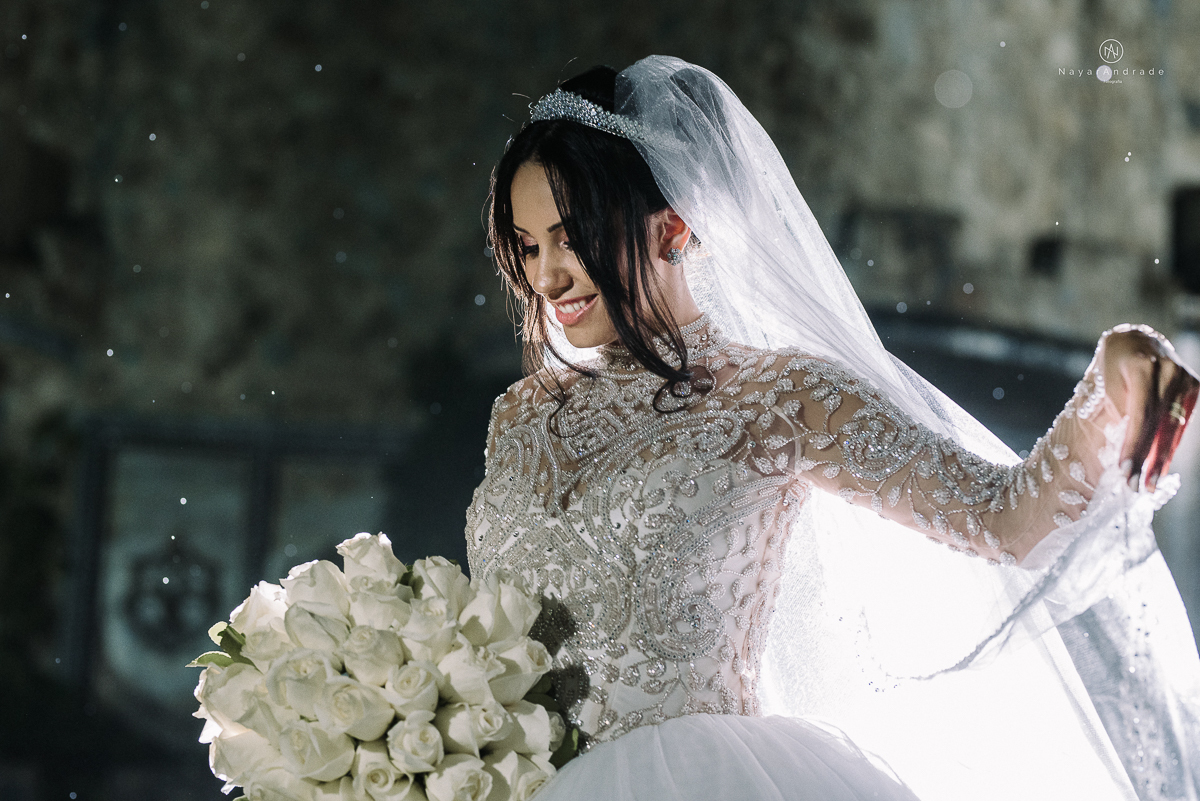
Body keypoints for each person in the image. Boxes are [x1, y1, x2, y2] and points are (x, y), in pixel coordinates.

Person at [468, 56, 1200, 801]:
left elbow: (1003, 520)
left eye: (571, 235)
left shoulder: (777, 396)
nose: (548, 276)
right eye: (528, 246)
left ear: (675, 226)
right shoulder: (518, 417)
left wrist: (1116, 376)